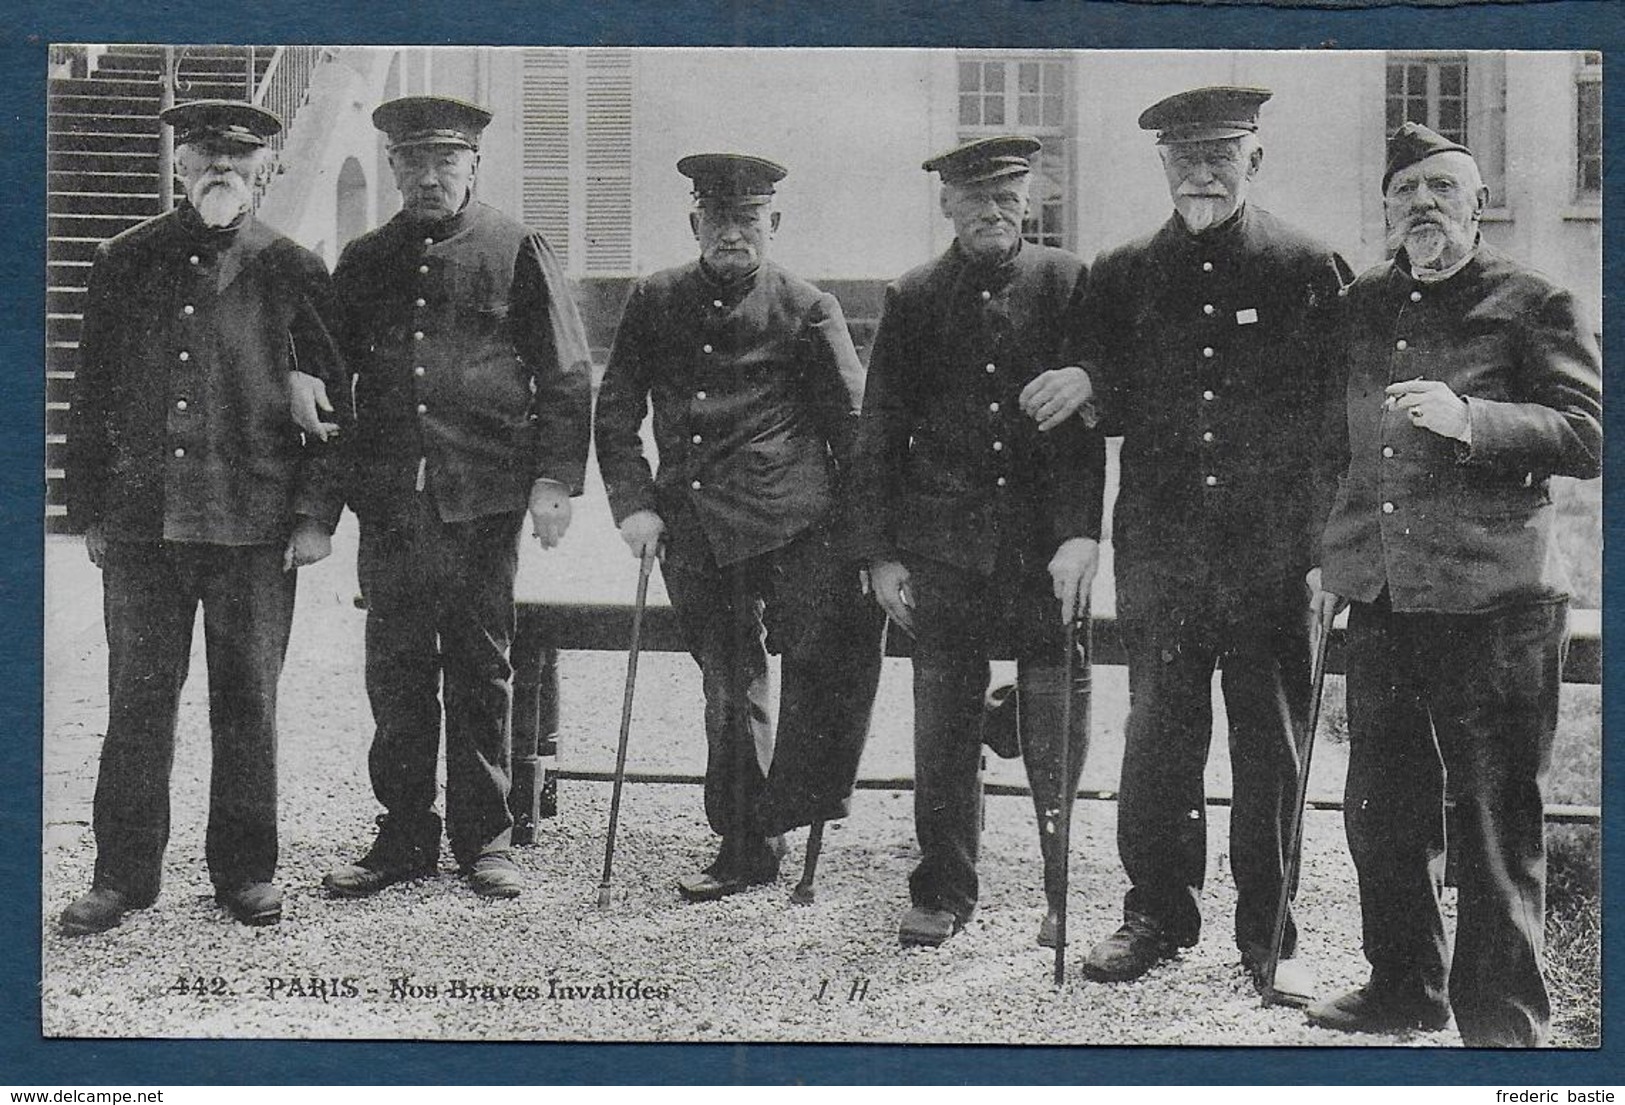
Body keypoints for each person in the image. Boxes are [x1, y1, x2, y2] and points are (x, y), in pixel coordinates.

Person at [1025, 87, 1351, 989]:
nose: (1200, 172)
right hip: (1163, 553)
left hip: (1273, 555)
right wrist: (1079, 526)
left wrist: (1331, 545)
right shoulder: (1122, 272)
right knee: (1158, 735)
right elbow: (1093, 412)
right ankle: (1155, 913)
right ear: (1161, 164)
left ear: (1256, 156)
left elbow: (1339, 418)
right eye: (1182, 156)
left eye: (1219, 152)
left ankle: (1265, 926)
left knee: (1268, 740)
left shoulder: (1307, 264)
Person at [1306, 123, 1602, 1047]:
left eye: (1442, 188)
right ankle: (1403, 989)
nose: (1422, 206)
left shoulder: (1533, 301)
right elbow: (1329, 441)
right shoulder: (1359, 305)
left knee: (1489, 818)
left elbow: (1588, 435)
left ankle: (1502, 1025)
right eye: (1405, 193)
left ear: (1478, 204)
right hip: (1386, 599)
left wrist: (1470, 417)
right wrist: (1332, 551)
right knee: (1381, 809)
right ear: (1385, 209)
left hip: (1496, 605)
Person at [60, 100, 346, 934]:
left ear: (266, 169)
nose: (220, 168)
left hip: (253, 525)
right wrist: (91, 511)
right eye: (203, 154)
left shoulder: (294, 267)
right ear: (179, 167)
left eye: (238, 156)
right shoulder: (124, 258)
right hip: (145, 527)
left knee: (246, 703)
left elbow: (334, 403)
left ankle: (246, 869)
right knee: (137, 700)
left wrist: (313, 512)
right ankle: (121, 873)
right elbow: (93, 394)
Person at [320, 96, 593, 901]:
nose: (430, 176)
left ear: (474, 164)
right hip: (394, 502)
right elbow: (332, 371)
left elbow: (567, 373)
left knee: (481, 665)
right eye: (413, 162)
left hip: (483, 497)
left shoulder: (515, 247)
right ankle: (403, 834)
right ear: (394, 168)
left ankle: (488, 839)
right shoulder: (367, 257)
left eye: (446, 160)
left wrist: (551, 480)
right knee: (396, 671)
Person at [594, 153, 884, 901]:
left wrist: (862, 542)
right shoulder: (654, 299)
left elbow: (851, 431)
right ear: (694, 222)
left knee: (815, 678)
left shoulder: (805, 305)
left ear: (773, 224)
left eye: (748, 220)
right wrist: (634, 505)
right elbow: (615, 412)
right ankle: (745, 841)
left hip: (795, 526)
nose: (733, 234)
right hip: (693, 529)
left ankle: (793, 814)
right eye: (718, 220)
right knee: (728, 688)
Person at [847, 136, 1102, 948]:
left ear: (1029, 200)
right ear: (946, 206)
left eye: (1006, 197)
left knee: (1057, 723)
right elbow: (879, 430)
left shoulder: (1069, 281)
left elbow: (1088, 427)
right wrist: (881, 554)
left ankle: (1059, 893)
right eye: (973, 200)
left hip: (1043, 552)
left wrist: (1080, 534)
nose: (991, 213)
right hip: (943, 548)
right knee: (942, 725)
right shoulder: (914, 295)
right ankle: (943, 888)